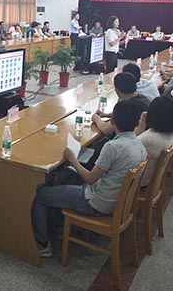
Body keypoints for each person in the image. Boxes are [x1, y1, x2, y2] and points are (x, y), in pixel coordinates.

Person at [31, 100, 147, 257]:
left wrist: (73, 159)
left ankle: (42, 244)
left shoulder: (113, 147)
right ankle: (58, 225)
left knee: (40, 195)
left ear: (113, 121)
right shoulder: (140, 145)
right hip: (116, 199)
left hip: (95, 202)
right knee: (68, 177)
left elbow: (90, 178)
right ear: (137, 122)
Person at [135, 97, 173, 186]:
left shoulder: (148, 138)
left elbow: (129, 144)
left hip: (139, 182)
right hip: (151, 178)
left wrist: (142, 123)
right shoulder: (172, 135)